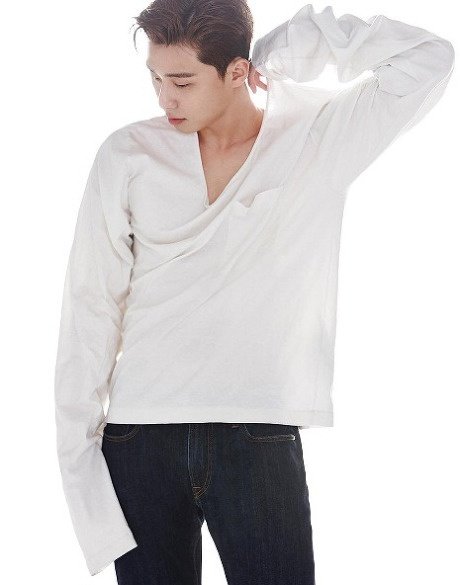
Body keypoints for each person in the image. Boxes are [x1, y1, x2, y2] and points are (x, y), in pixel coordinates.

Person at [53, 1, 455, 583]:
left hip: (258, 432)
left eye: (182, 82)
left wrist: (285, 48)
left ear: (237, 71)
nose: (165, 98)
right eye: (156, 79)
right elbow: (90, 307)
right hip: (140, 437)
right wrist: (78, 460)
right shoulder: (126, 155)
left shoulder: (315, 141)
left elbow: (428, 58)